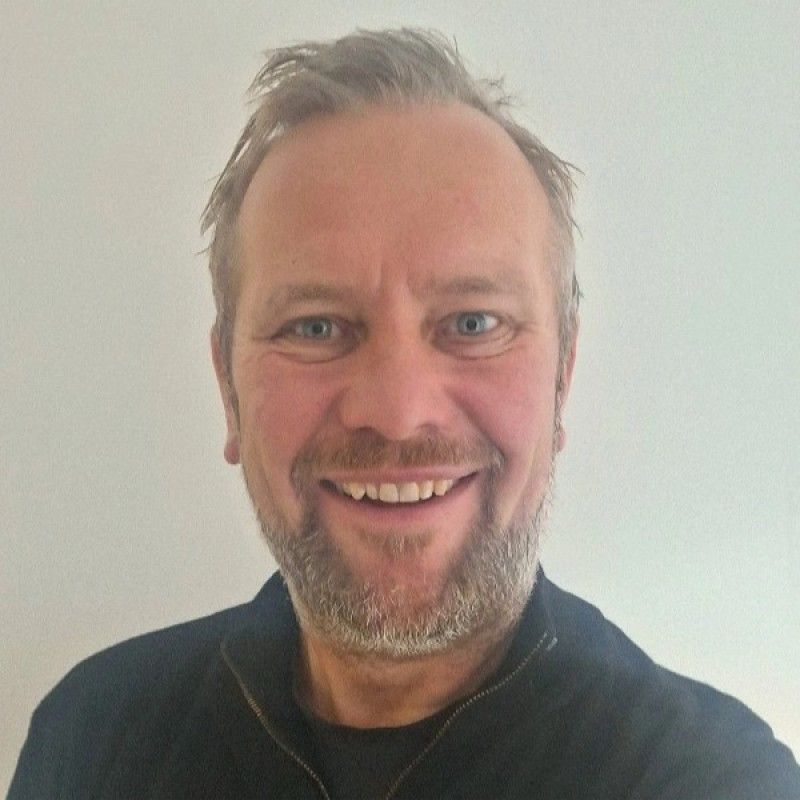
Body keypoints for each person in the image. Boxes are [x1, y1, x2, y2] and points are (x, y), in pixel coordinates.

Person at [9, 28, 799, 800]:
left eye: (473, 324)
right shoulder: (94, 736)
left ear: (562, 377)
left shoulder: (709, 779)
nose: (397, 413)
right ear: (227, 386)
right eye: (315, 328)